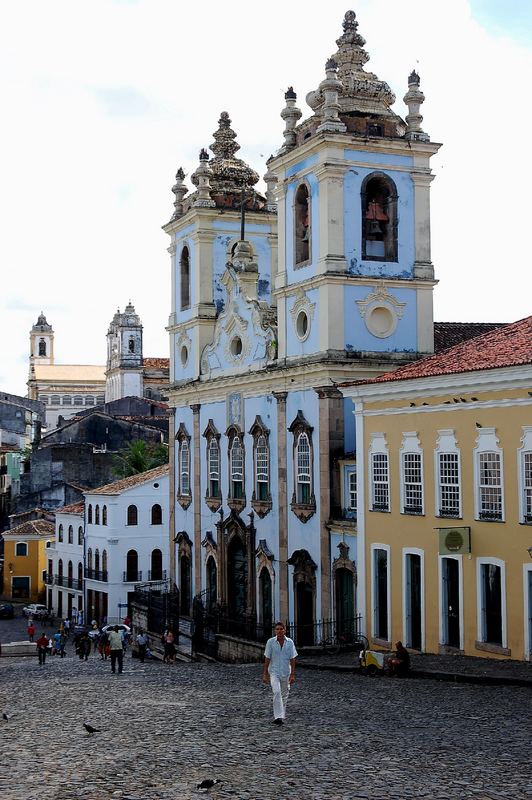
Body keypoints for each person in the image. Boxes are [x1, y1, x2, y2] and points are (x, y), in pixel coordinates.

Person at [262, 622, 297, 725]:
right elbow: (267, 658)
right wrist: (265, 674)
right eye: (277, 629)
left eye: (281, 629)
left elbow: (292, 658)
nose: (279, 631)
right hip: (274, 671)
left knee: (284, 694)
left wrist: (293, 674)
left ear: (285, 630)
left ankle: (281, 716)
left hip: (286, 671)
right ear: (275, 631)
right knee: (277, 691)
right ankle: (278, 716)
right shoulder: (270, 642)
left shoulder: (290, 642)